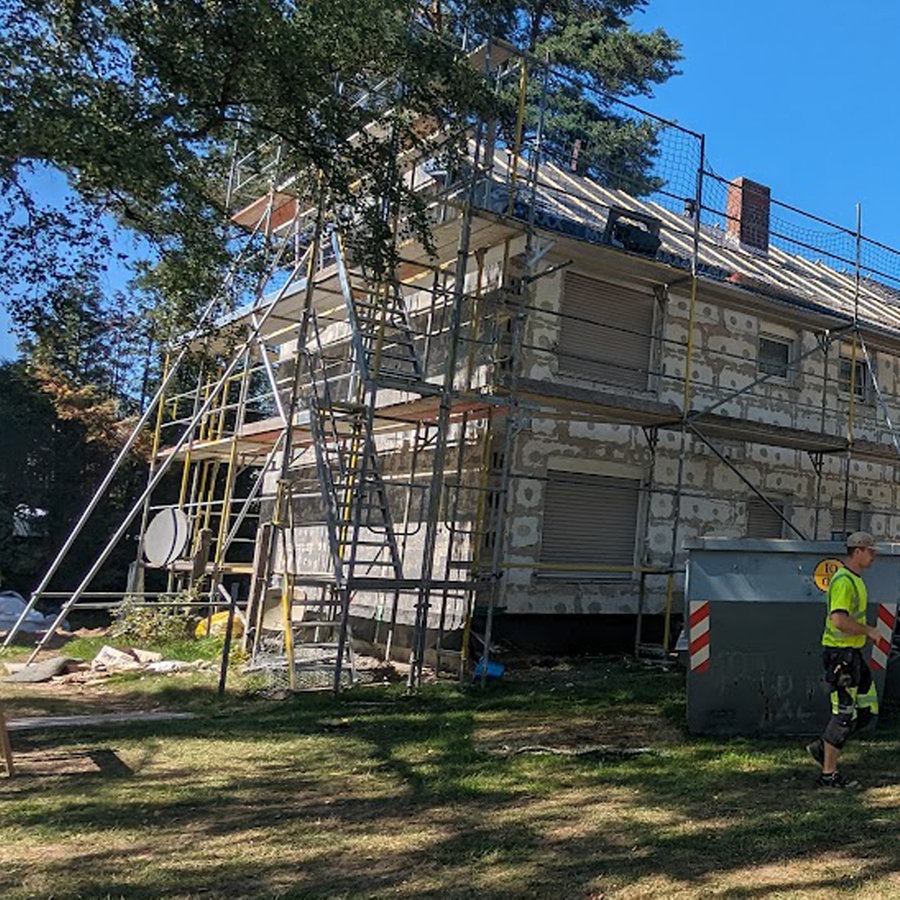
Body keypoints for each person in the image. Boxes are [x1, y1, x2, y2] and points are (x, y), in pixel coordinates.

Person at [807, 531, 881, 788]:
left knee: (867, 711)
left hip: (854, 655)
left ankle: (823, 745)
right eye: (871, 551)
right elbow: (839, 620)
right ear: (857, 551)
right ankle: (829, 775)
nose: (874, 556)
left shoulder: (856, 580)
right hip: (841, 656)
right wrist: (869, 630)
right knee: (844, 714)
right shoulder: (843, 581)